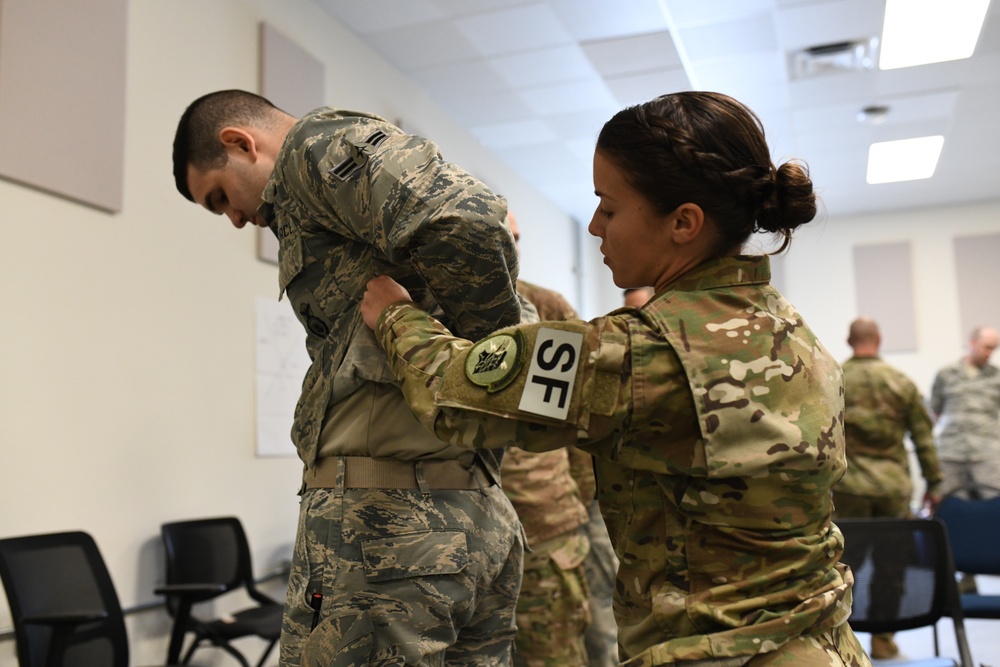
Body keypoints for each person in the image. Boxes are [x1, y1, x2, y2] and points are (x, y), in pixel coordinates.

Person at [361, 91, 871, 665]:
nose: (596, 226)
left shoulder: (638, 352)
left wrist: (392, 312)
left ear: (683, 222)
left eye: (609, 206)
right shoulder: (792, 329)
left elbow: (452, 392)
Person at [172, 89, 527, 666]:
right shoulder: (315, 193)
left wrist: (486, 370)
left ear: (239, 143)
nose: (236, 219)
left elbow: (464, 218)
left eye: (220, 198)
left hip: (388, 525)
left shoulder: (312, 151)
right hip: (457, 509)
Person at [503, 212, 595, 666]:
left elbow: (581, 419)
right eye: (500, 235)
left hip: (544, 525)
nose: (511, 247)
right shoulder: (436, 312)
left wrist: (576, 496)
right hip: (463, 535)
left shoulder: (546, 309)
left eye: (517, 237)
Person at [833, 316, 942, 660]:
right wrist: (934, 482)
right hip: (893, 488)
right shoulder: (901, 382)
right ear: (878, 340)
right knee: (890, 565)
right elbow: (923, 438)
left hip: (847, 487)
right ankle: (883, 637)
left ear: (850, 341)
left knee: (842, 563)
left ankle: (841, 634)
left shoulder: (833, 376)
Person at [930, 325, 1000, 500]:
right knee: (949, 506)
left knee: (992, 506)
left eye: (994, 348)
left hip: (987, 454)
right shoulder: (946, 374)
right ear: (973, 343)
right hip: (951, 453)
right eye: (987, 347)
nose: (989, 353)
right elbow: (935, 412)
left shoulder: (997, 377)